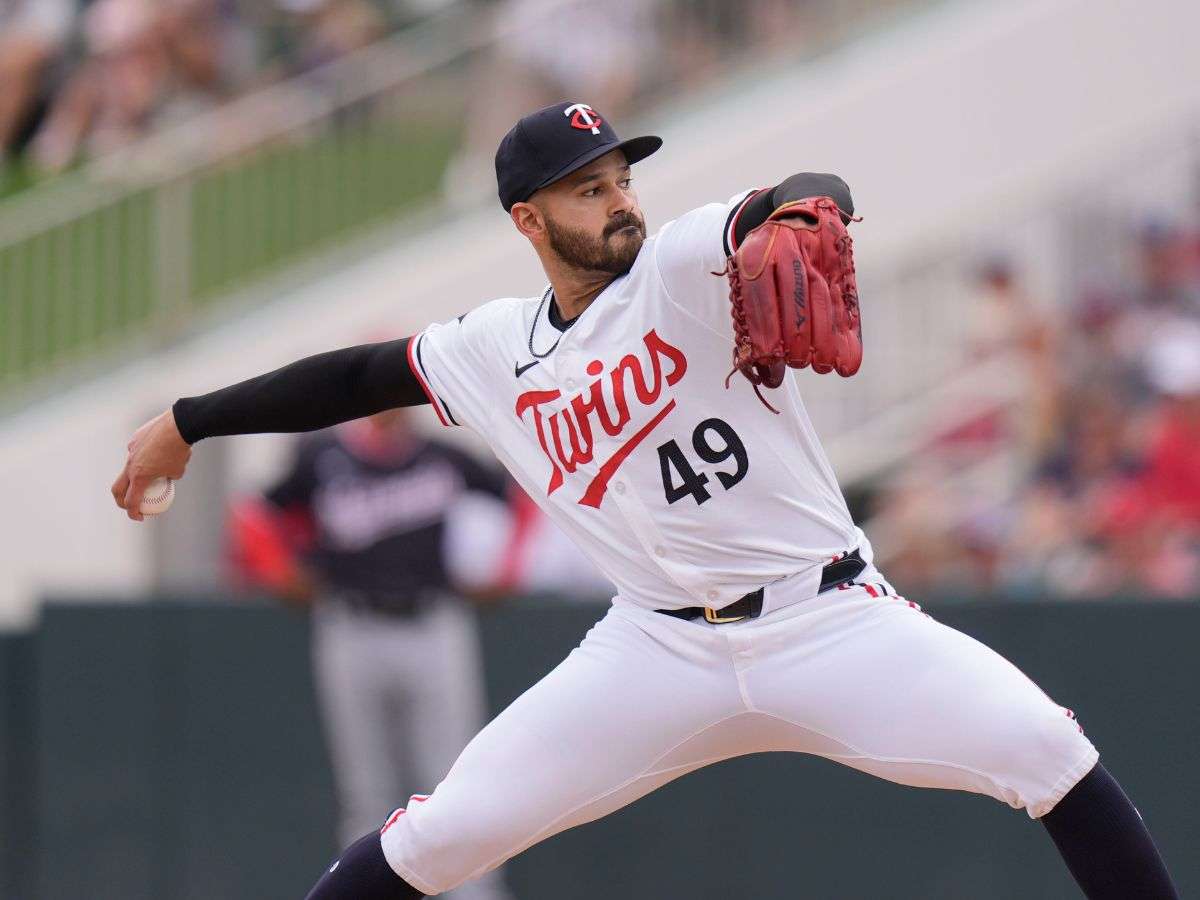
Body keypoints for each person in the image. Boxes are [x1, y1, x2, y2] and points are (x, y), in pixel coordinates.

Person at [112, 102, 1179, 899]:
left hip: (828, 618)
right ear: (529, 219)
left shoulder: (677, 265)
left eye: (622, 177)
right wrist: (188, 419)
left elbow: (791, 192)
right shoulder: (493, 349)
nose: (620, 198)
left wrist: (816, 205)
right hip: (655, 652)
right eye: (589, 187)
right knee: (433, 840)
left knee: (1049, 754)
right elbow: (354, 380)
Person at [229, 408, 515, 900]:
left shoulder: (440, 456)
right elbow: (252, 512)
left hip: (432, 623)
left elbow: (519, 496)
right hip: (352, 624)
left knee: (456, 781)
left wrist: (507, 569)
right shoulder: (324, 458)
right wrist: (277, 569)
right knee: (367, 792)